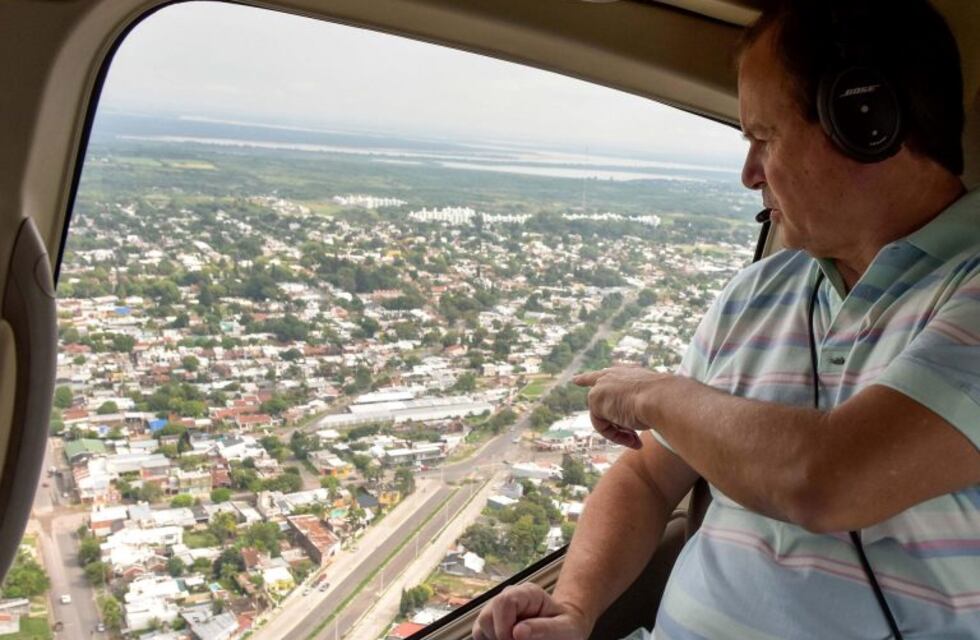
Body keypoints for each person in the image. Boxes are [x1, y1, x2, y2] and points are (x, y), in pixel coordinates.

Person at [472, 1, 980, 638]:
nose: (748, 174)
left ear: (866, 121)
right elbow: (646, 476)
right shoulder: (756, 293)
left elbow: (826, 480)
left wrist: (654, 393)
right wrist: (573, 607)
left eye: (764, 137)